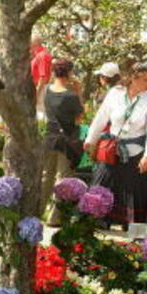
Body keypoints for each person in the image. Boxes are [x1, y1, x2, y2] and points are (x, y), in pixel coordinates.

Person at [85, 62, 147, 229]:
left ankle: (135, 232)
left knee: (136, 193)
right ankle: (97, 226)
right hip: (112, 151)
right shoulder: (115, 94)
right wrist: (90, 139)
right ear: (133, 79)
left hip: (135, 153)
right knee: (102, 186)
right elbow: (101, 117)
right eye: (145, 80)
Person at [40, 59, 84, 226]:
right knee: (62, 178)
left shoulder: (47, 91)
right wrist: (79, 91)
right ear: (68, 73)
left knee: (46, 176)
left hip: (49, 137)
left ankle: (38, 210)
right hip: (66, 140)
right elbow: (80, 117)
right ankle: (55, 216)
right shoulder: (71, 96)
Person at [30, 32, 53, 117]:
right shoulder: (40, 54)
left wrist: (37, 92)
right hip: (41, 86)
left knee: (41, 113)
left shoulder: (41, 55)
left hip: (41, 88)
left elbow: (42, 77)